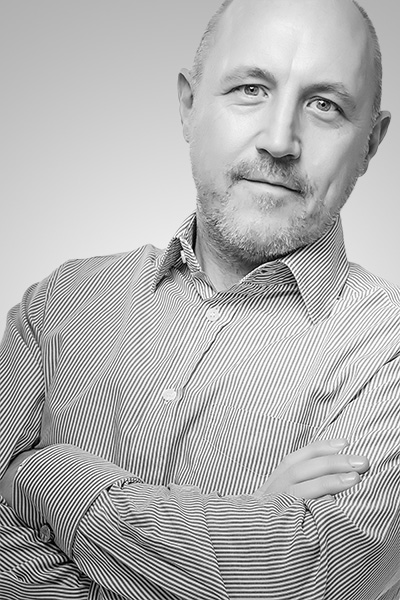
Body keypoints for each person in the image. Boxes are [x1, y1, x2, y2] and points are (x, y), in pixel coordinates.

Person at [0, 0, 399, 598]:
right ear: (189, 105)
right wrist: (244, 521)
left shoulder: (389, 348)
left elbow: (298, 579)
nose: (280, 141)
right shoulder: (55, 304)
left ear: (371, 143)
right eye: (250, 89)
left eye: (325, 105)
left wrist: (39, 474)